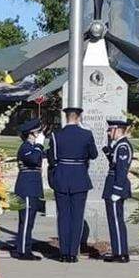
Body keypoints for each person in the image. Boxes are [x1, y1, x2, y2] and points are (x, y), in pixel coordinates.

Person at [47, 106, 98, 263]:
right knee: (77, 216)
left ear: (66, 117)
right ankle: (72, 253)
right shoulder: (86, 134)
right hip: (79, 178)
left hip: (62, 177)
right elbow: (94, 155)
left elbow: (52, 158)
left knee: (63, 216)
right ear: (79, 117)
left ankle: (63, 253)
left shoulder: (56, 135)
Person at [11, 118, 45, 261]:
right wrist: (39, 145)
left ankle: (23, 248)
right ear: (32, 133)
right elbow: (34, 159)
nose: (41, 134)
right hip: (26, 189)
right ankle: (24, 251)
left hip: (31, 188)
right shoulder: (26, 147)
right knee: (26, 222)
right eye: (39, 132)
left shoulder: (31, 147)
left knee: (27, 221)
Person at [101, 119, 133, 263]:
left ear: (118, 130)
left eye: (110, 130)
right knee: (113, 221)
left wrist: (117, 190)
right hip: (113, 184)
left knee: (116, 221)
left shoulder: (123, 147)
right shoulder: (118, 145)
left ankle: (120, 253)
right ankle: (118, 251)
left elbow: (121, 170)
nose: (108, 132)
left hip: (115, 186)